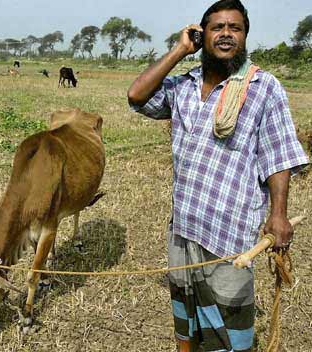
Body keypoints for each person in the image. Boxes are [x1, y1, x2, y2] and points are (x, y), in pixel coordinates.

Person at [127, 0, 309, 351]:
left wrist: (279, 214)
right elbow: (137, 96)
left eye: (235, 28)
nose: (226, 34)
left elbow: (278, 156)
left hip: (231, 234)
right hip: (184, 226)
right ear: (202, 35)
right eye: (217, 28)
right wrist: (180, 50)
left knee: (229, 327)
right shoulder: (183, 86)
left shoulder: (263, 88)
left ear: (245, 37)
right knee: (186, 316)